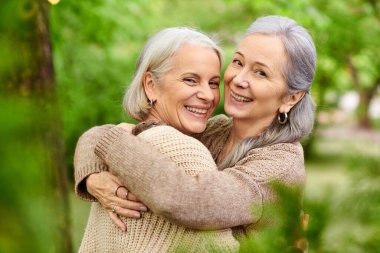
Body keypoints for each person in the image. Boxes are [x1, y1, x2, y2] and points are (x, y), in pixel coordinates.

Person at [75, 15, 316, 250]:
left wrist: (111, 143)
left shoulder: (280, 165)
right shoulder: (215, 130)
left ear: (291, 98)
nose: (238, 79)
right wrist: (93, 177)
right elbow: (100, 137)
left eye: (260, 72)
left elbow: (191, 201)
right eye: (239, 62)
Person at [75, 27, 241, 252]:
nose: (208, 95)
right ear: (151, 86)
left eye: (213, 83)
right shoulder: (182, 151)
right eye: (191, 80)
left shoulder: (124, 144)